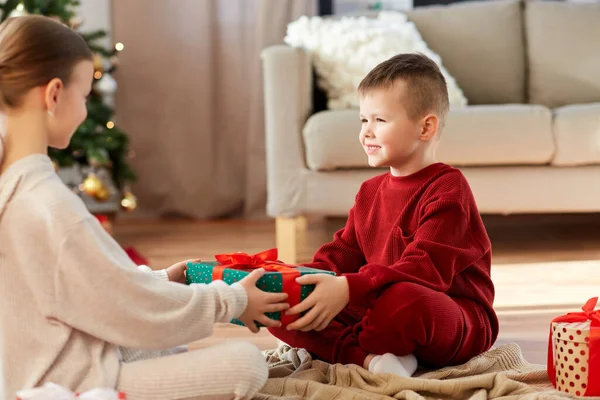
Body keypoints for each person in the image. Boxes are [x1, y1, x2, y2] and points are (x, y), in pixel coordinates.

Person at [0, 15, 289, 400]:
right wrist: (233, 300)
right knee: (246, 363)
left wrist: (163, 280)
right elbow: (125, 309)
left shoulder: (14, 186)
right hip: (69, 382)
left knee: (161, 341)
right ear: (53, 94)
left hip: (36, 361)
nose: (85, 111)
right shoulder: (48, 204)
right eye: (85, 97)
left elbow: (96, 290)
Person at [268, 53, 499, 377]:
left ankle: (358, 348)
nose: (366, 132)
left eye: (380, 120)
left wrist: (349, 288)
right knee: (284, 304)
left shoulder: (449, 188)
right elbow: (338, 258)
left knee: (403, 299)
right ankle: (371, 360)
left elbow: (424, 268)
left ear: (425, 127)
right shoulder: (369, 192)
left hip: (450, 315)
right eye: (363, 120)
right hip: (377, 310)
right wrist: (289, 280)